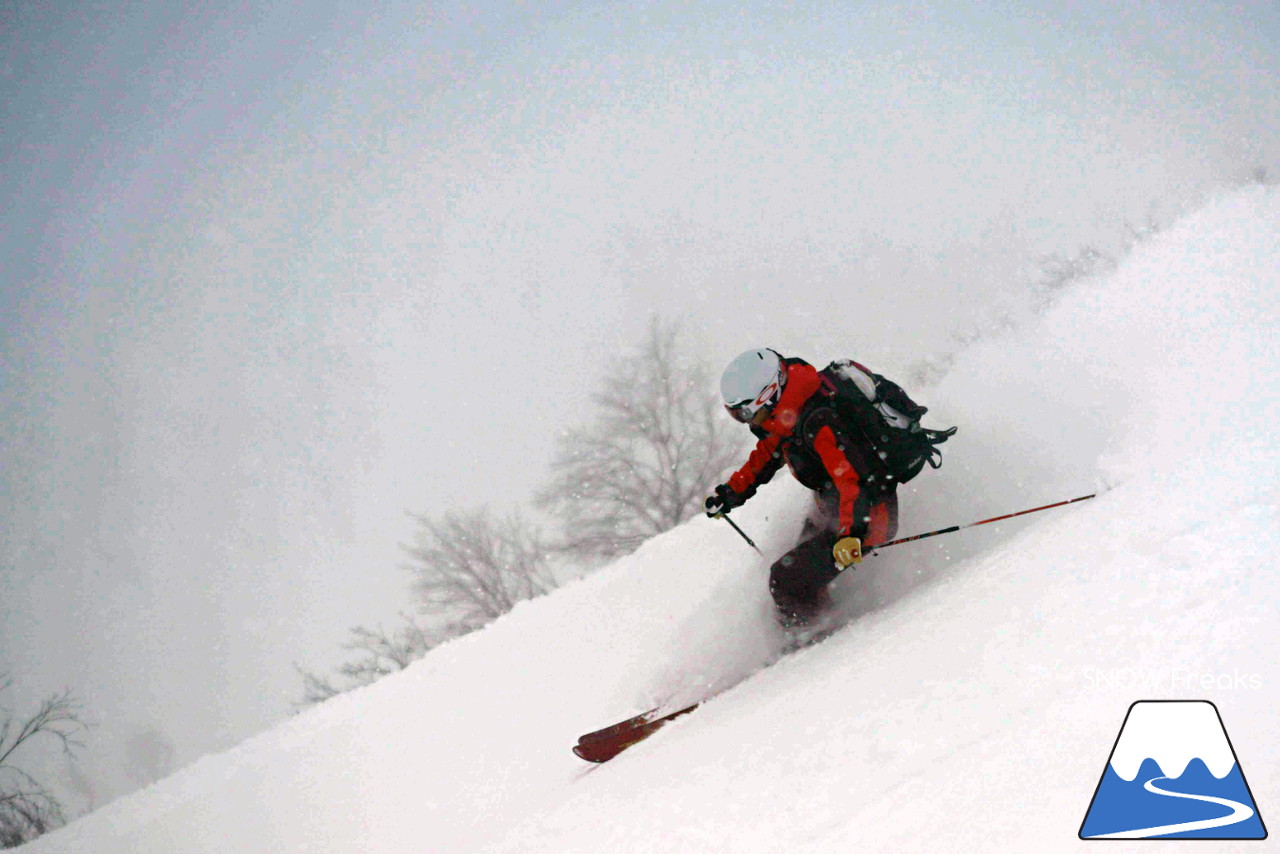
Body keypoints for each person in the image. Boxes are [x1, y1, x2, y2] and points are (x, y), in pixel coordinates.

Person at [704, 348, 952, 629]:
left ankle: (812, 643)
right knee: (795, 568)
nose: (748, 421)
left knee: (785, 580)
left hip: (868, 515)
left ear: (769, 394)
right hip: (836, 509)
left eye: (747, 413)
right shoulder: (789, 414)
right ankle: (813, 622)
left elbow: (853, 480)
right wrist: (729, 494)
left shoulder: (819, 422)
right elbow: (764, 457)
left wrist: (851, 534)